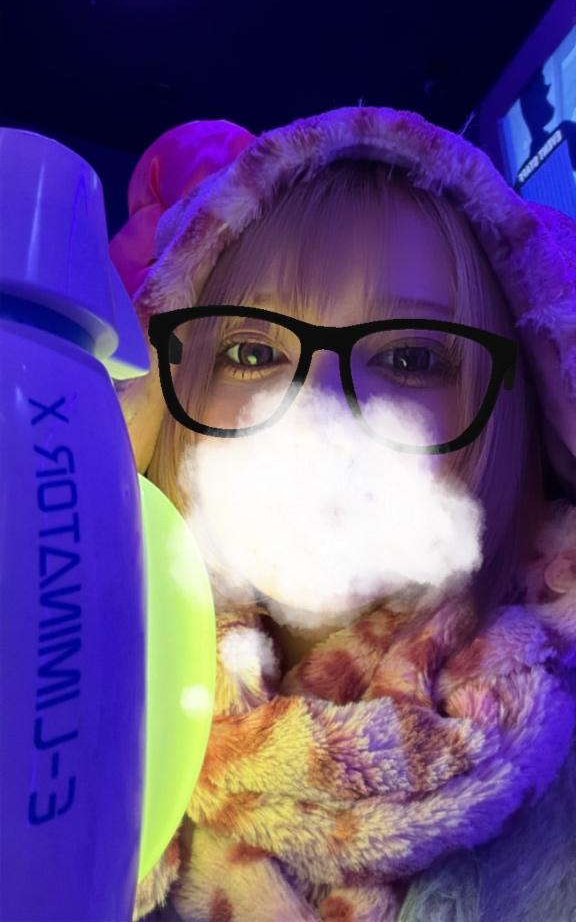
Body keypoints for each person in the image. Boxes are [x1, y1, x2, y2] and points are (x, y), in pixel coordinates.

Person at [109, 108, 576, 922]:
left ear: (516, 403)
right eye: (251, 353)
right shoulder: (73, 707)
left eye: (411, 358)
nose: (316, 410)